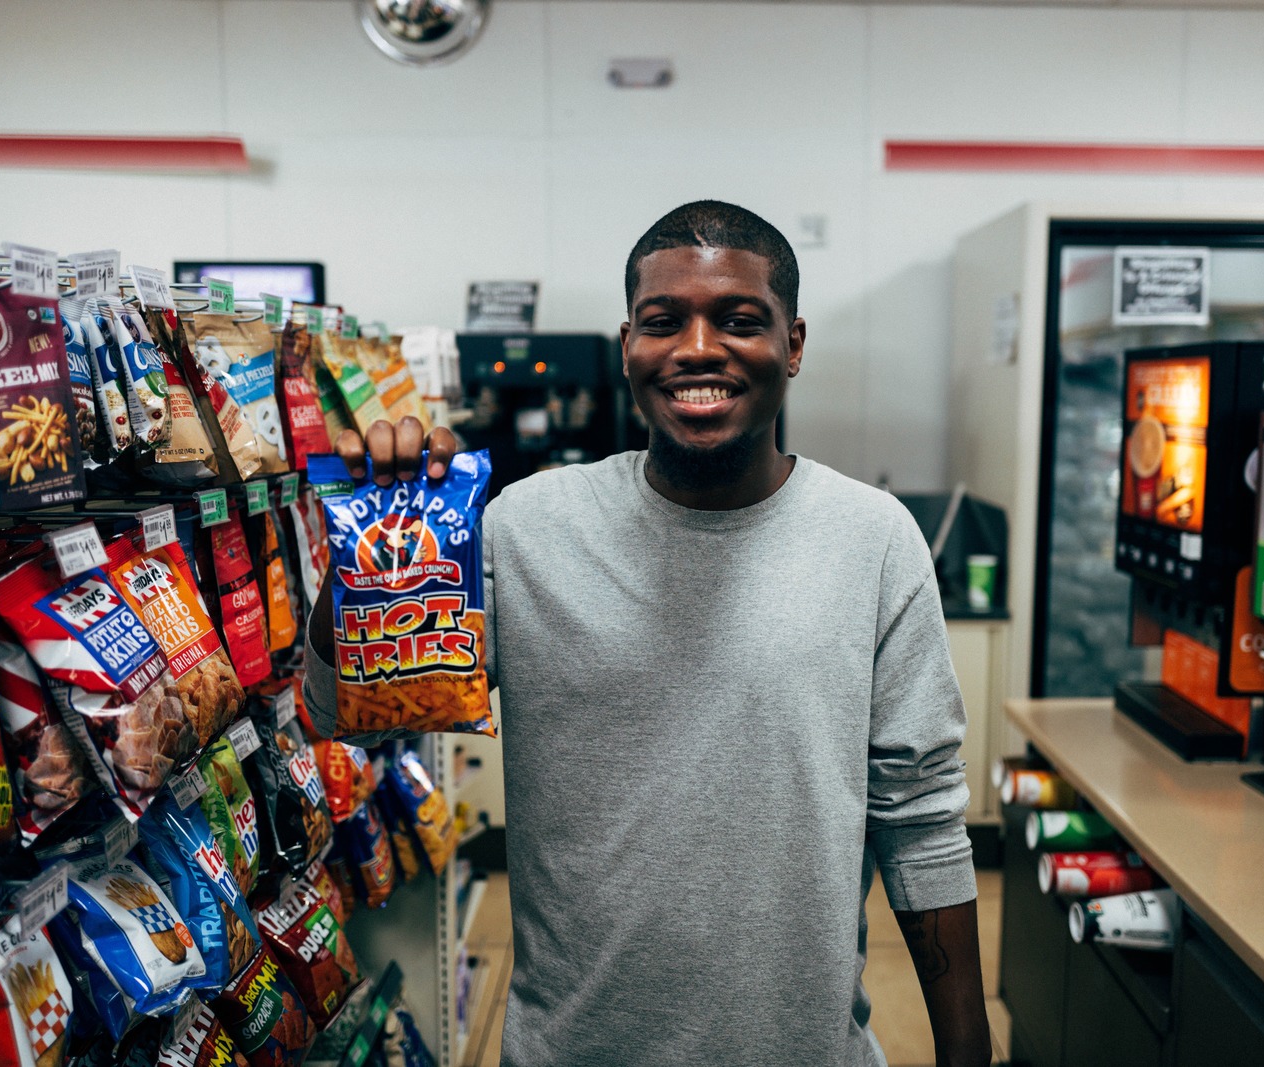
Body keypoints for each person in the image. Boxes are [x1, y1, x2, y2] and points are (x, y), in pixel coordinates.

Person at [306, 200, 993, 1067]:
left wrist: (969, 1050)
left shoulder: (875, 539)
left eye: (740, 320)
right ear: (628, 343)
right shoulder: (528, 528)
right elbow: (339, 711)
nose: (698, 348)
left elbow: (922, 817)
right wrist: (375, 534)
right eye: (665, 322)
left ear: (795, 342)